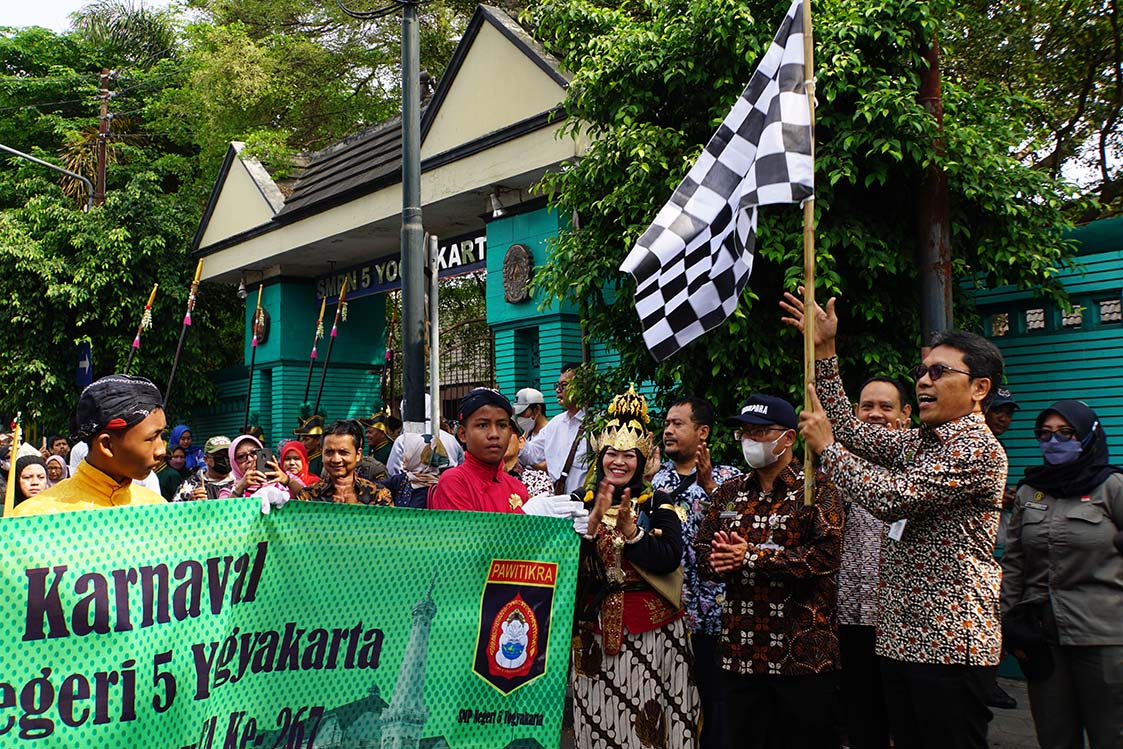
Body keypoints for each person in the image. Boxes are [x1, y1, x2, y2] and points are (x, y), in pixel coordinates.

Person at [785, 291, 1007, 749]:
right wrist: (826, 353)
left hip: (949, 643)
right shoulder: (924, 442)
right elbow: (849, 429)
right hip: (901, 638)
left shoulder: (976, 449)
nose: (924, 381)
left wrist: (828, 450)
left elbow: (892, 497)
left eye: (939, 372)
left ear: (979, 388)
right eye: (922, 371)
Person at [694, 394, 845, 749]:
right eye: (745, 432)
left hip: (801, 656)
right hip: (740, 654)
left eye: (760, 432)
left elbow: (825, 557)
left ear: (788, 438)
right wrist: (717, 561)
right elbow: (702, 552)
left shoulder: (817, 489)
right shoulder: (730, 492)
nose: (750, 440)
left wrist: (752, 557)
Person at [572, 386, 699, 749]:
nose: (619, 462)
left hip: (651, 629)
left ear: (641, 461)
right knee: (597, 718)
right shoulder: (579, 501)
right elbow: (564, 562)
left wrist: (632, 532)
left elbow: (669, 556)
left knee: (649, 719)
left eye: (629, 455)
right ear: (600, 456)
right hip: (593, 627)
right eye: (612, 453)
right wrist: (590, 526)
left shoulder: (659, 502)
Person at [1001, 399, 1123, 749]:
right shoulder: (1029, 492)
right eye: (1045, 434)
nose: (1054, 442)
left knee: (1111, 734)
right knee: (1054, 737)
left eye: (1066, 433)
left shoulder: (1112, 487)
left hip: (1105, 638)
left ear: (1088, 435)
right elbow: (1015, 562)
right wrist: (1006, 621)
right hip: (1043, 639)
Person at [651, 395, 741, 749]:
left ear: (702, 432)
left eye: (678, 424)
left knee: (717, 702)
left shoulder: (730, 479)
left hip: (716, 616)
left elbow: (741, 528)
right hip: (670, 613)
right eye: (667, 424)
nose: (668, 431)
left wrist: (709, 488)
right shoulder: (655, 483)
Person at [839, 376, 911, 749]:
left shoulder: (920, 468)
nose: (875, 414)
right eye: (867, 407)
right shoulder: (836, 470)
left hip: (902, 619)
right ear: (855, 413)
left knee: (908, 719)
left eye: (886, 407)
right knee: (862, 718)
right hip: (849, 616)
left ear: (905, 415)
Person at [13, 375, 167, 516]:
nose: (161, 450)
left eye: (162, 436)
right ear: (107, 445)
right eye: (151, 438)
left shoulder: (156, 508)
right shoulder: (35, 517)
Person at [428, 388, 585, 522]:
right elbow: (465, 547)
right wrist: (523, 517)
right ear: (462, 434)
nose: (494, 434)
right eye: (482, 425)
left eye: (502, 425)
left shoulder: (517, 487)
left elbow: (533, 551)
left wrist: (565, 530)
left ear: (510, 432)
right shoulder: (454, 482)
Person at [983, 386, 1021, 711]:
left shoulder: (999, 447)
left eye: (1008, 413)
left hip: (999, 549)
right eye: (1000, 411)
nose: (1004, 419)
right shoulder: (975, 446)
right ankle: (986, 684)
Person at [521, 363, 589, 494]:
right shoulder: (555, 424)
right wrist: (514, 440)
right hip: (557, 504)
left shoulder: (595, 423)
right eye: (557, 386)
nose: (558, 390)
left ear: (581, 387)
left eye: (564, 386)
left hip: (585, 506)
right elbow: (532, 454)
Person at [297, 420, 392, 505]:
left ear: (358, 454)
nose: (336, 459)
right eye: (329, 452)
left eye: (343, 452)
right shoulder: (307, 497)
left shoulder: (378, 495)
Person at [386, 394, 464, 476]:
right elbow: (461, 468)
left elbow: (393, 473)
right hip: (448, 487)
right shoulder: (451, 440)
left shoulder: (403, 440)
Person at [220, 434, 305, 500]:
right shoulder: (228, 490)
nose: (250, 459)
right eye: (241, 457)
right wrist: (240, 487)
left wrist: (287, 480)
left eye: (254, 452)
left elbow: (309, 499)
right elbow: (222, 515)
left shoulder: (285, 479)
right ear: (234, 463)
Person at [378, 431, 441, 508]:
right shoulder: (403, 479)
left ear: (416, 456)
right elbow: (375, 485)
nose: (404, 458)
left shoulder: (438, 488)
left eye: (409, 453)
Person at [175, 436, 234, 501]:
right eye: (219, 456)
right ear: (206, 459)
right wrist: (191, 503)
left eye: (228, 455)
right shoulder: (190, 485)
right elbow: (176, 509)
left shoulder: (240, 482)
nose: (225, 459)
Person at [505, 419, 553, 498]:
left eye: (508, 434)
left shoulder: (538, 479)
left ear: (521, 442)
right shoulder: (481, 479)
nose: (502, 440)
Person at [294, 410, 326, 476]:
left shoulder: (323, 461)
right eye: (301, 439)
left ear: (317, 440)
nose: (302, 443)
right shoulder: (299, 459)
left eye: (306, 439)